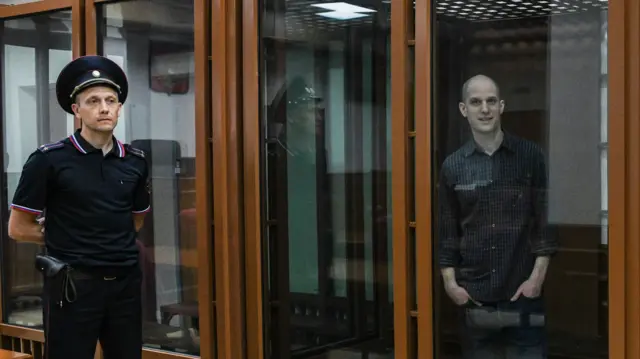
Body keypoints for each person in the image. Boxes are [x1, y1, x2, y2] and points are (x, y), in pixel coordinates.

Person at [7, 55, 150, 359]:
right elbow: (18, 228)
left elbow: (135, 221)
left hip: (124, 286)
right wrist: (68, 237)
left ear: (120, 108)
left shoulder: (135, 161)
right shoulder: (49, 160)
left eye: (111, 100)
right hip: (73, 287)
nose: (104, 108)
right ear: (77, 110)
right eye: (93, 101)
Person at [437, 74, 557, 359]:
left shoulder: (530, 156)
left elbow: (545, 224)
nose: (485, 109)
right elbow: (447, 232)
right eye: (476, 102)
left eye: (491, 101)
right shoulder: (453, 166)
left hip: (523, 296)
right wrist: (451, 284)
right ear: (463, 109)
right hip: (475, 299)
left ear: (502, 106)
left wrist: (536, 280)